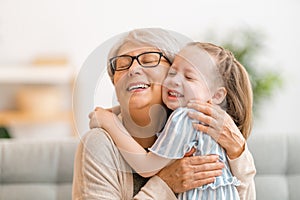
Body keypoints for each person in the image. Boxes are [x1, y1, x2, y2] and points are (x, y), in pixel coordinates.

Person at [72, 28, 256, 200]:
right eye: (122, 64)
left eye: (149, 60)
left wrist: (238, 152)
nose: (133, 69)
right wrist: (165, 185)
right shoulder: (100, 144)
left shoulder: (207, 128)